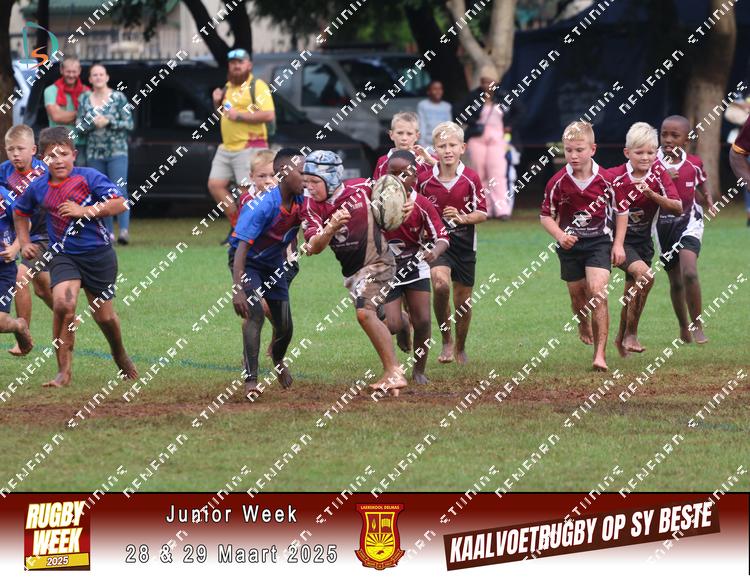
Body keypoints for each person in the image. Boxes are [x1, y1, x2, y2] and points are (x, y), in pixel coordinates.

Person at [14, 127, 138, 387]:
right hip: (64, 255)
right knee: (63, 304)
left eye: (64, 154)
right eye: (52, 155)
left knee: (105, 318)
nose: (58, 160)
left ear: (74, 154)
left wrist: (85, 211)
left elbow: (120, 203)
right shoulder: (38, 187)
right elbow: (20, 212)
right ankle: (63, 371)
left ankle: (119, 353)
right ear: (43, 159)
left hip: (98, 255)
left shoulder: (88, 177)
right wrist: (24, 243)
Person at [301, 150, 413, 396]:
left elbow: (394, 187)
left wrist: (408, 202)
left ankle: (393, 372)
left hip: (380, 263)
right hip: (352, 274)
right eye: (305, 181)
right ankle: (403, 322)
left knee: (364, 313)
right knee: (385, 321)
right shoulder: (310, 206)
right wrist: (330, 228)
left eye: (315, 181)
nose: (309, 187)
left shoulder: (362, 188)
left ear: (332, 179)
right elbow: (314, 247)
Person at [540, 121, 627, 372]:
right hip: (569, 246)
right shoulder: (557, 182)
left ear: (592, 149)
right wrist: (560, 235)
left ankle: (600, 355)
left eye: (579, 150)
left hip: (599, 242)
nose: (574, 155)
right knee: (578, 297)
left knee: (597, 292)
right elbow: (545, 216)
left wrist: (618, 244)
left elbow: (622, 212)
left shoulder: (608, 180)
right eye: (568, 150)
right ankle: (582, 322)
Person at [231, 149, 305, 401]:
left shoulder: (301, 199)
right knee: (256, 315)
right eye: (302, 172)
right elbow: (240, 249)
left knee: (285, 327)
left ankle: (278, 358)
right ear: (284, 173)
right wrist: (238, 289)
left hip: (274, 264)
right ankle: (251, 380)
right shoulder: (262, 206)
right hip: (248, 264)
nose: (306, 177)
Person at [608, 122, 682, 357]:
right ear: (627, 152)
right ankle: (631, 334)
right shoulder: (614, 176)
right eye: (639, 152)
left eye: (651, 152)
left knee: (632, 292)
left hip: (643, 242)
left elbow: (677, 207)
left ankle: (621, 339)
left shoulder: (658, 174)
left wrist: (652, 194)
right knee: (646, 277)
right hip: (618, 242)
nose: (646, 157)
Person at [418, 121, 487, 365]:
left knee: (462, 302)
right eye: (442, 146)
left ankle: (460, 346)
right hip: (437, 244)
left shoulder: (471, 178)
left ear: (462, 148)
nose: (447, 150)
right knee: (440, 285)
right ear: (435, 149)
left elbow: (483, 213)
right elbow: (416, 210)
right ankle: (446, 339)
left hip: (465, 246)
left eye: (452, 145)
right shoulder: (424, 180)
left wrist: (462, 218)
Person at [381, 150, 449, 385]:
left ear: (415, 177)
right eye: (393, 173)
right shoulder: (376, 202)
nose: (398, 179)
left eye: (404, 174)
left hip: (415, 266)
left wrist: (434, 252)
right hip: (386, 269)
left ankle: (419, 370)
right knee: (392, 325)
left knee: (423, 322)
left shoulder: (422, 204)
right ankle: (401, 323)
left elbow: (442, 236)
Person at [658, 115, 715, 344]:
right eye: (664, 134)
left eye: (675, 135)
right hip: (663, 227)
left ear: (686, 140)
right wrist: (662, 178)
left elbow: (701, 180)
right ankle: (683, 326)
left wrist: (708, 198)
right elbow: (642, 188)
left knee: (689, 272)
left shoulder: (694, 163)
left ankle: (697, 325)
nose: (668, 139)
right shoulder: (652, 163)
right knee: (676, 281)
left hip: (690, 223)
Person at [208, 48, 275, 239]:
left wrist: (240, 116)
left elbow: (269, 115)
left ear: (249, 65)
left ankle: (250, 232)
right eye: (233, 63)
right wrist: (217, 103)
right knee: (215, 185)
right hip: (227, 147)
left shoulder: (257, 86)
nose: (236, 66)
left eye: (240, 62)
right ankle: (238, 226)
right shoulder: (227, 87)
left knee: (248, 191)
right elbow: (224, 115)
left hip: (250, 146)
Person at [0, 125, 51, 356]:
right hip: (20, 234)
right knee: (41, 288)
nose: (15, 154)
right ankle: (68, 315)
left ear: (33, 149)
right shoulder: (3, 172)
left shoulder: (45, 172)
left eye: (20, 149)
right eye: (10, 149)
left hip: (46, 235)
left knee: (20, 277)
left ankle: (23, 338)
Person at [76, 63, 134, 245]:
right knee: (101, 192)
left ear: (107, 77)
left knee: (120, 189)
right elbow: (79, 126)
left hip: (117, 151)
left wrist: (109, 121)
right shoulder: (84, 99)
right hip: (94, 153)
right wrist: (92, 123)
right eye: (95, 75)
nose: (98, 77)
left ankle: (123, 231)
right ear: (90, 79)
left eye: (101, 74)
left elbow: (129, 124)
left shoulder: (118, 98)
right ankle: (107, 233)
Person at [456, 65, 523, 220]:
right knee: (479, 174)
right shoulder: (474, 96)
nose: (487, 85)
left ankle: (502, 210)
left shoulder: (504, 96)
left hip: (498, 138)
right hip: (477, 138)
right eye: (484, 82)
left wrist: (509, 126)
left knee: (498, 173)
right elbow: (457, 111)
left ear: (496, 82)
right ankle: (484, 209)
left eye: (489, 81)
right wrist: (472, 122)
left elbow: (520, 111)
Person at [0, 184, 33, 356]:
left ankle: (19, 325)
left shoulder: (4, 196)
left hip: (3, 268)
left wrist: (14, 249)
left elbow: (26, 223)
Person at [44, 56, 90, 166]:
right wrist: (80, 115)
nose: (71, 75)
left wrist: (64, 115)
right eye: (68, 71)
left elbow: (90, 118)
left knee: (79, 176)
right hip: (57, 144)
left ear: (79, 71)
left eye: (74, 72)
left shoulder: (87, 92)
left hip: (81, 144)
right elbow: (56, 116)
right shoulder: (50, 90)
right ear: (61, 70)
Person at [372, 112, 436, 180]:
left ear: (417, 136)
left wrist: (432, 161)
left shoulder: (427, 160)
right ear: (391, 135)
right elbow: (377, 185)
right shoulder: (382, 161)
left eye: (409, 134)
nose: (404, 138)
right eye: (400, 133)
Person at [417, 81, 452, 147]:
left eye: (440, 89)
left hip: (443, 142)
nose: (438, 91)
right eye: (435, 89)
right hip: (427, 142)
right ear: (428, 92)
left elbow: (448, 126)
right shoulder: (423, 105)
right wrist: (421, 143)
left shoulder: (447, 106)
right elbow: (422, 125)